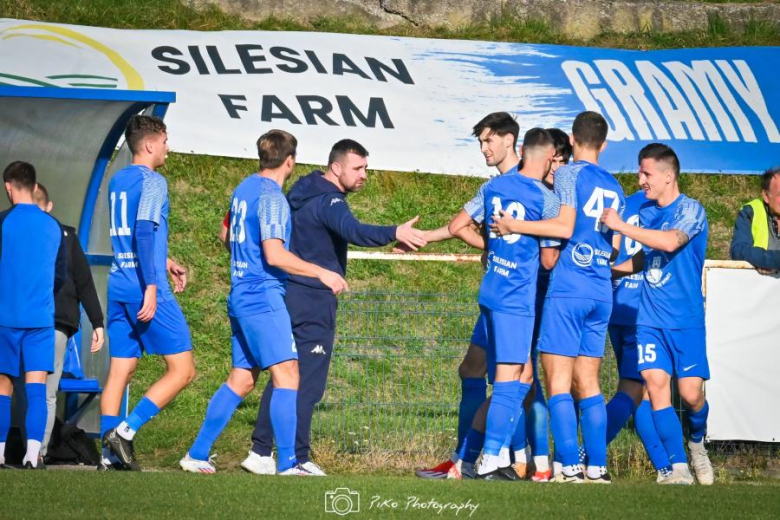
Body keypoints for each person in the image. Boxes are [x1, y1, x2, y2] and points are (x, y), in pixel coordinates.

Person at [241, 139, 426, 476]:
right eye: (359, 168)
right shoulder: (330, 200)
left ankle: (260, 451)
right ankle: (296, 457)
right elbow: (354, 230)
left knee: (283, 377)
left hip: (288, 293)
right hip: (313, 299)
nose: (365, 175)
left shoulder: (300, 190)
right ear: (336, 168)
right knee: (308, 382)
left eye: (366, 168)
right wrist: (394, 231)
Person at [181, 131, 349, 475]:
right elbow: (275, 254)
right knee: (288, 374)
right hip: (263, 296)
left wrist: (245, 260)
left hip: (241, 293)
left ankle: (196, 454)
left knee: (241, 380)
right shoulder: (273, 197)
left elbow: (225, 234)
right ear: (291, 161)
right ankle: (288, 463)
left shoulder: (244, 188)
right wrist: (322, 273)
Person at [492, 111, 625, 483]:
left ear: (572, 138)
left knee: (559, 382)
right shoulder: (616, 185)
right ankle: (597, 468)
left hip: (569, 290)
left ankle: (569, 467)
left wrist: (514, 225)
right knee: (591, 383)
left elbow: (560, 235)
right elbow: (613, 248)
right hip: (601, 290)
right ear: (604, 143)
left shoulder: (568, 175)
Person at [415, 112, 521, 480]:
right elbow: (459, 225)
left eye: (489, 141)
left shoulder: (533, 182)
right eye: (479, 142)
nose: (483, 149)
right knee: (474, 370)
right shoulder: (492, 188)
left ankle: (514, 459)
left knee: (518, 381)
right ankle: (469, 459)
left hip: (518, 299)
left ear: (509, 140)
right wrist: (423, 238)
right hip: (496, 296)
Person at [601, 143, 714, 485]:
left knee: (692, 395)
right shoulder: (647, 211)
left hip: (686, 320)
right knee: (655, 384)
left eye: (646, 173)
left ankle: (696, 442)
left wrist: (622, 226)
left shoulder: (691, 211)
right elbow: (648, 256)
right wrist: (614, 272)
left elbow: (668, 243)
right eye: (639, 172)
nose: (640, 180)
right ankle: (678, 469)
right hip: (648, 319)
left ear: (668, 176)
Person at [101, 115, 195, 471]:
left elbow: (130, 235)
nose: (168, 148)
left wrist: (165, 259)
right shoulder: (154, 182)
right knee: (183, 370)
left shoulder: (117, 180)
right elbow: (142, 233)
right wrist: (153, 287)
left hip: (118, 283)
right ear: (151, 144)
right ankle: (125, 432)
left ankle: (107, 458)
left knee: (120, 372)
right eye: (166, 141)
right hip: (143, 287)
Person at [474, 128, 561, 480]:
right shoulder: (547, 200)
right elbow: (549, 259)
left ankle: (500, 455)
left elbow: (481, 231)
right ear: (551, 158)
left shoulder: (494, 187)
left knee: (521, 375)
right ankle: (490, 457)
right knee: (509, 379)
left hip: (492, 289)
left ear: (524, 150)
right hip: (516, 298)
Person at [603, 180, 673, 483]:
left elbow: (609, 251)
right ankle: (582, 455)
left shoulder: (622, 204)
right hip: (642, 312)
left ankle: (665, 469)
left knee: (642, 394)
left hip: (616, 307)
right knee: (633, 390)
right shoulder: (662, 209)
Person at [0, 161, 67, 469]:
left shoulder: (4, 222)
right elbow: (60, 276)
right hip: (41, 320)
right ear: (35, 187)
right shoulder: (53, 226)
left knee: (3, 386)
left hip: (6, 317)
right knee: (37, 387)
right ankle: (32, 455)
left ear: (8, 187)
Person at [32, 184, 105, 460]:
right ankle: (36, 452)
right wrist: (97, 323)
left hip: (23, 318)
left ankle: (11, 447)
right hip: (57, 321)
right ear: (49, 206)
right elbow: (84, 281)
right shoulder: (66, 236)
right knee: (48, 391)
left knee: (15, 386)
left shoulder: (14, 229)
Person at [730, 167, 780, 273]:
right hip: (759, 285)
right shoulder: (750, 212)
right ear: (766, 196)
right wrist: (771, 260)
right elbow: (739, 251)